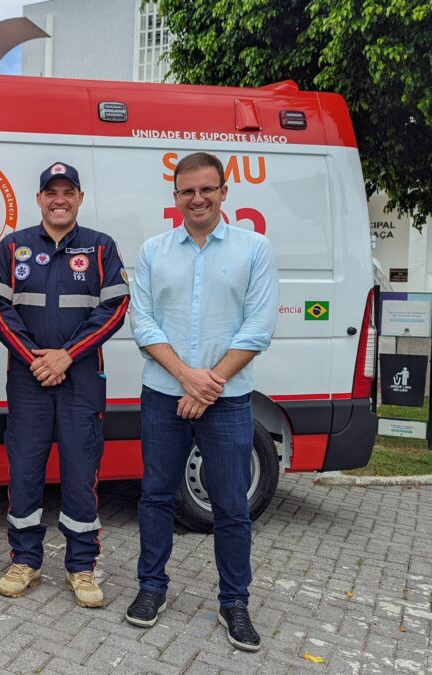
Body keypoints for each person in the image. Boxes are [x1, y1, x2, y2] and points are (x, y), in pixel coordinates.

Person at [127, 152, 278, 651]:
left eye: (206, 189)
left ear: (223, 192)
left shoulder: (254, 249)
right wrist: (187, 378)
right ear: (175, 197)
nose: (197, 198)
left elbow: (258, 328)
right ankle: (152, 588)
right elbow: (143, 324)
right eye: (187, 191)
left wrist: (208, 383)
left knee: (232, 506)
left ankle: (234, 601)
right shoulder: (153, 251)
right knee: (154, 496)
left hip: (229, 401)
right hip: (163, 396)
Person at [0, 162, 129, 607]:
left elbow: (115, 310)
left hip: (81, 378)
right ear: (39, 199)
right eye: (51, 192)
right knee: (25, 471)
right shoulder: (14, 247)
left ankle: (82, 567)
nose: (60, 199)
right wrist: (36, 358)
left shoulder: (101, 247)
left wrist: (67, 355)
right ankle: (25, 560)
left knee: (80, 474)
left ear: (80, 199)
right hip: (28, 380)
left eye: (68, 191)